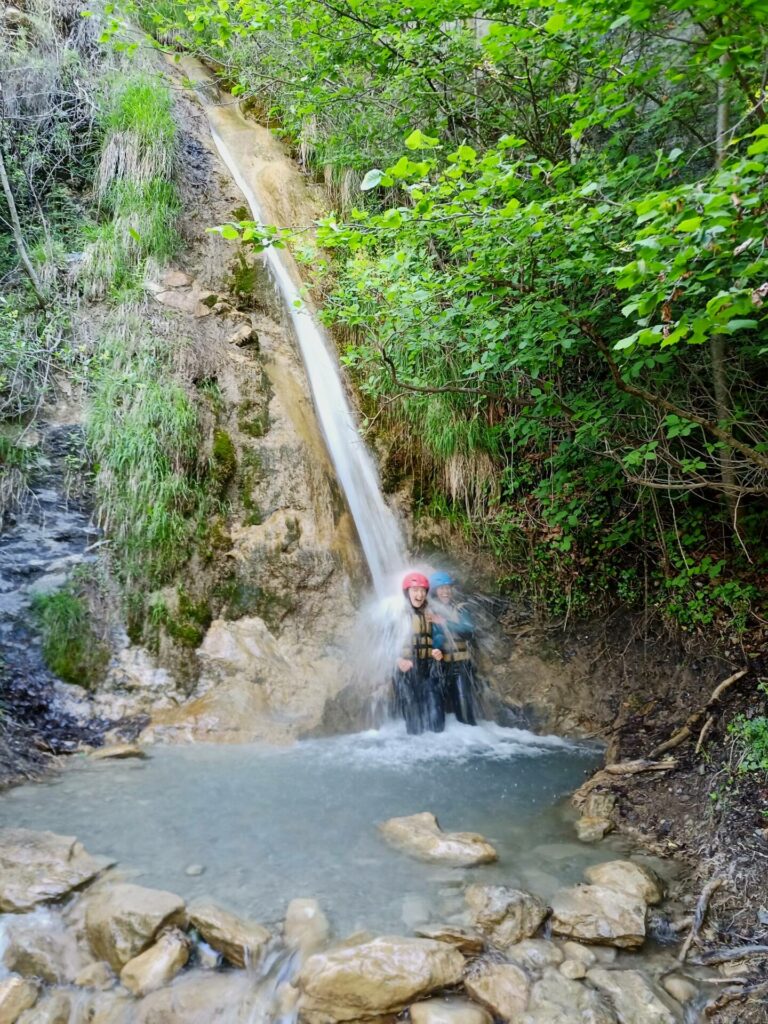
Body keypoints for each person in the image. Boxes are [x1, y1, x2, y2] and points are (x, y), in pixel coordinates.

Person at [393, 572, 445, 734]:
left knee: (437, 724)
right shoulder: (397, 614)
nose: (420, 594)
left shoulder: (430, 614)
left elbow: (438, 637)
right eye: (415, 590)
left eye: (423, 590)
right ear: (407, 592)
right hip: (406, 671)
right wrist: (397, 660)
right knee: (414, 726)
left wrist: (438, 650)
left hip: (427, 668)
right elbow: (385, 644)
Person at [429, 571, 479, 726]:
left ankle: (470, 735)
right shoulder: (428, 611)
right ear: (434, 591)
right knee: (436, 716)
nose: (445, 591)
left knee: (464, 711)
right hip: (438, 666)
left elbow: (468, 630)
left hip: (460, 665)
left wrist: (444, 622)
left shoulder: (460, 608)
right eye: (441, 588)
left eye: (447, 588)